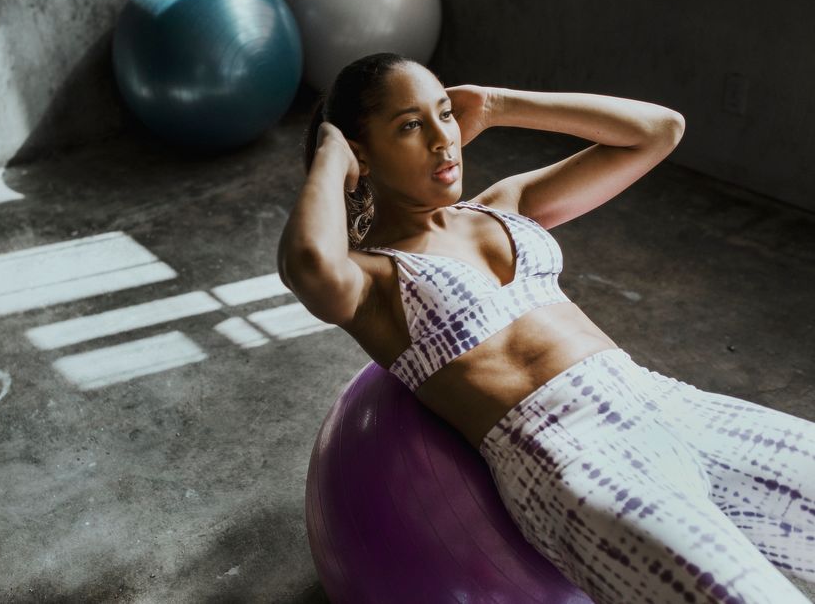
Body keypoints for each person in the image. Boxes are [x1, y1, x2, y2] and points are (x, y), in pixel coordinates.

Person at [277, 52, 815, 603]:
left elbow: (658, 131)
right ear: (360, 154)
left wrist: (496, 104)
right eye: (410, 126)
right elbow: (309, 265)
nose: (443, 139)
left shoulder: (504, 206)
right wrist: (331, 152)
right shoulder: (373, 280)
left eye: (444, 113)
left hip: (669, 404)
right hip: (575, 460)